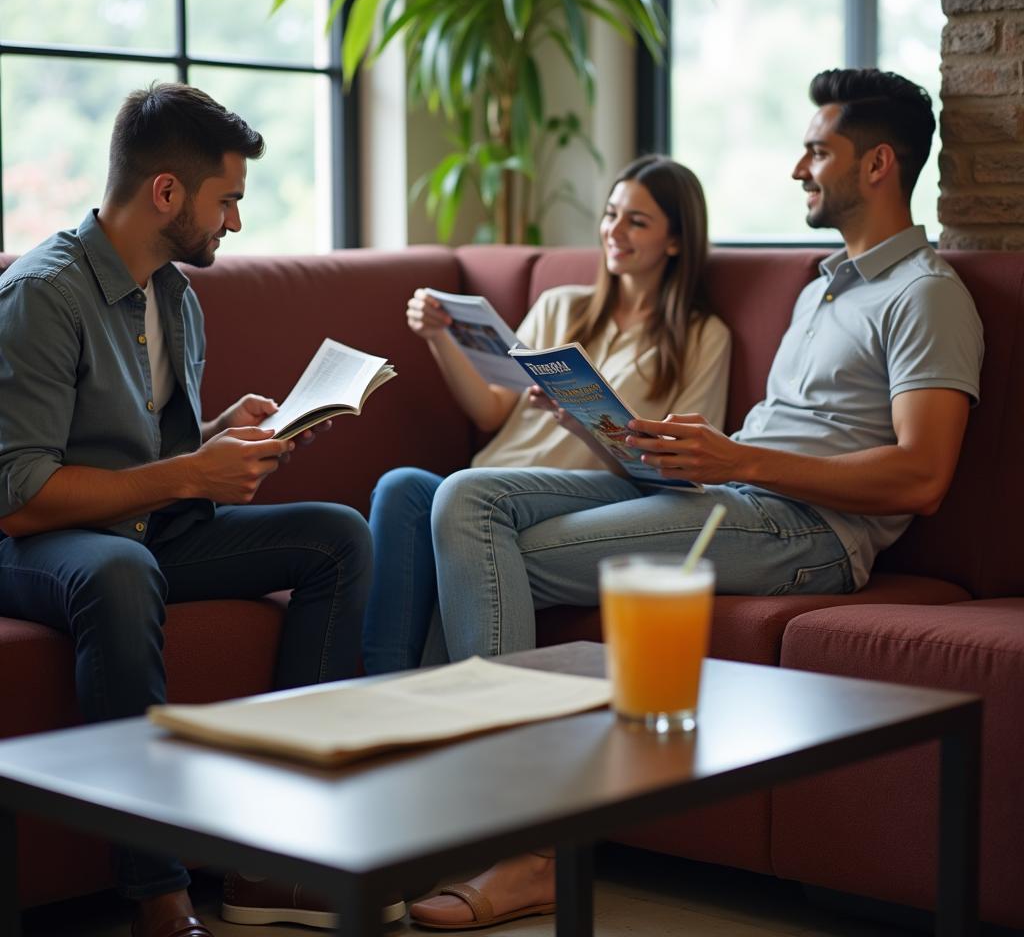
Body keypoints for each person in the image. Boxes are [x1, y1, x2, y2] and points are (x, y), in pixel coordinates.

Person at [408, 68, 984, 929]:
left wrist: (739, 462)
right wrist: (688, 455)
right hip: (731, 496)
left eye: (818, 151)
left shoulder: (928, 297)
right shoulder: (824, 286)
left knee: (488, 558)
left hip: (807, 534)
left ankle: (525, 848)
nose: (799, 168)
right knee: (462, 502)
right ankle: (448, 811)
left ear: (878, 167)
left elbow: (922, 477)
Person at [0, 83, 378, 937]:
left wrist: (225, 437)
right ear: (166, 192)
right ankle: (156, 892)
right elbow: (18, 496)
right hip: (42, 548)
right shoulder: (42, 295)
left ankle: (275, 860)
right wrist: (190, 476)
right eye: (228, 200)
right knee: (124, 571)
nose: (234, 225)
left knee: (338, 538)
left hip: (142, 529)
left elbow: (147, 458)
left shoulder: (175, 295)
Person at [362, 156, 732, 674]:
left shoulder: (702, 337)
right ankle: (383, 687)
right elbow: (492, 410)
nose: (614, 231)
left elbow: (684, 469)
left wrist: (581, 423)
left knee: (456, 496)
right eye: (610, 215)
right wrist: (438, 338)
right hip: (485, 479)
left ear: (675, 241)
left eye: (637, 221)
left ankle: (464, 702)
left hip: (578, 491)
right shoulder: (561, 306)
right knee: (401, 487)